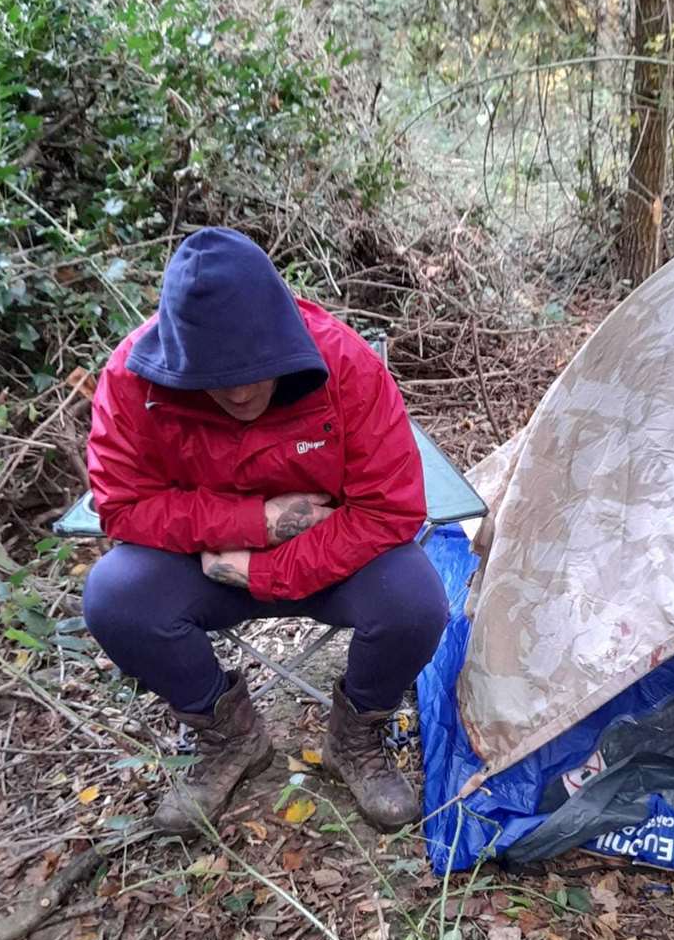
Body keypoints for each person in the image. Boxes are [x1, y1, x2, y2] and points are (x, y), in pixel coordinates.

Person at [82, 228, 449, 837]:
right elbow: (122, 505)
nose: (240, 391)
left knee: (414, 600)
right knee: (117, 597)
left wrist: (268, 570)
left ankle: (354, 739)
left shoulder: (344, 363)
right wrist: (255, 523)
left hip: (329, 557)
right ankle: (229, 739)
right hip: (206, 562)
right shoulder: (132, 380)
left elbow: (390, 510)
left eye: (256, 370)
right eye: (215, 378)